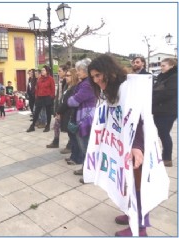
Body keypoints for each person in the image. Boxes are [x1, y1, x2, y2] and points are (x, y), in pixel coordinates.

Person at [88, 54, 149, 236]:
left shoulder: (126, 88)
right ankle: (130, 214)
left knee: (138, 186)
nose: (97, 80)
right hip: (122, 144)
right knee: (127, 182)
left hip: (136, 145)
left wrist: (137, 146)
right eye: (93, 77)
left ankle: (140, 228)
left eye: (99, 75)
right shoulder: (112, 89)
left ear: (109, 71)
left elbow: (137, 117)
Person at [67, 59, 96, 173]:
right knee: (85, 146)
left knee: (86, 147)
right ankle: (86, 168)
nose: (77, 72)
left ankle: (90, 172)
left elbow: (73, 101)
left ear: (85, 71)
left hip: (86, 120)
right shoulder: (85, 83)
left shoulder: (87, 84)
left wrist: (71, 99)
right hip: (84, 118)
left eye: (79, 70)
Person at [152, 58, 178, 167]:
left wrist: (152, 99)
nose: (161, 67)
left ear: (171, 66)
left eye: (164, 65)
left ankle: (167, 158)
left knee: (164, 134)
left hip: (167, 111)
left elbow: (168, 93)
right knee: (162, 133)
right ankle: (165, 156)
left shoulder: (174, 77)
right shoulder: (163, 76)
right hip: (160, 110)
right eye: (161, 65)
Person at [46, 68, 78, 153]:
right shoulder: (68, 85)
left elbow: (68, 102)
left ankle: (71, 147)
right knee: (66, 130)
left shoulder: (74, 88)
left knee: (71, 131)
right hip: (63, 110)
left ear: (74, 76)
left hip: (68, 112)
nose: (66, 77)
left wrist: (59, 111)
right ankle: (67, 145)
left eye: (68, 76)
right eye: (66, 75)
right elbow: (62, 98)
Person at [27, 65, 55, 133]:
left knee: (48, 113)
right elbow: (37, 88)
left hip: (47, 97)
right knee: (36, 112)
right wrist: (36, 96)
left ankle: (47, 125)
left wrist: (51, 97)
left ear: (47, 71)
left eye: (43, 70)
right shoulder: (40, 79)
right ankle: (32, 126)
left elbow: (53, 89)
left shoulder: (50, 79)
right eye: (42, 70)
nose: (42, 71)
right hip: (40, 97)